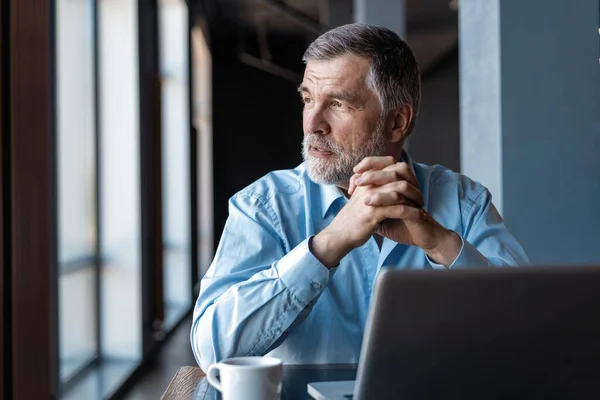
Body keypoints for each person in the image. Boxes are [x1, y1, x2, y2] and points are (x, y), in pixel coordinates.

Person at [190, 23, 528, 371]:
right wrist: (327, 245)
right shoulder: (263, 206)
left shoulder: (463, 202)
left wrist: (441, 244)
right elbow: (212, 350)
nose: (313, 124)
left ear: (397, 121)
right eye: (308, 100)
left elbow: (529, 332)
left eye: (338, 103)